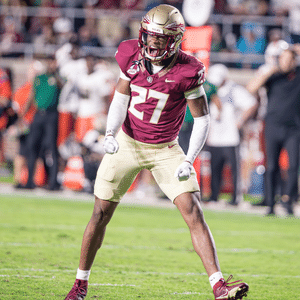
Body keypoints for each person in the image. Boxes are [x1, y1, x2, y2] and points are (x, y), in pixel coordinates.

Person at [64, 5, 249, 300]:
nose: (152, 43)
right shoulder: (130, 56)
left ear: (174, 40)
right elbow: (120, 99)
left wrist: (189, 157)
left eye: (160, 38)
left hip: (165, 148)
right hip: (128, 141)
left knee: (193, 211)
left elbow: (202, 119)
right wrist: (110, 132)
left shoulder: (189, 70)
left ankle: (218, 286)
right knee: (99, 213)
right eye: (149, 35)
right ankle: (79, 284)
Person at [247, 46, 300, 215]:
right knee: (271, 166)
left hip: (293, 128)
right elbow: (251, 88)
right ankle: (270, 204)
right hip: (272, 126)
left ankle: (288, 202)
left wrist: (293, 49)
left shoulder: (298, 74)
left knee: (293, 167)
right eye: (282, 58)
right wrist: (269, 72)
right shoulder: (273, 76)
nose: (284, 61)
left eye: (287, 59)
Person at [205, 64, 258, 205]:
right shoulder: (210, 89)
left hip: (230, 136)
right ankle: (213, 196)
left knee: (234, 169)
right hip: (215, 135)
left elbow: (251, 103)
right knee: (214, 168)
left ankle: (236, 197)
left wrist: (240, 121)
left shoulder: (235, 89)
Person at [20, 55, 62, 190]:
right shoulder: (39, 78)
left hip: (51, 114)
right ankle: (29, 182)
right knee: (32, 146)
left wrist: (56, 73)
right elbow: (31, 97)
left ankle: (53, 183)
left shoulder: (57, 78)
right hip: (39, 114)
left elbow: (62, 85)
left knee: (51, 146)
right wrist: (23, 116)